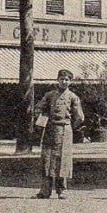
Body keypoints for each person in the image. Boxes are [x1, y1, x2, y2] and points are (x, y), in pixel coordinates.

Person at [33, 69, 85, 199]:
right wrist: (42, 116)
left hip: (65, 130)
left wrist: (70, 126)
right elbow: (38, 108)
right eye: (62, 79)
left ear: (70, 82)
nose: (64, 81)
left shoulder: (73, 97)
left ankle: (62, 190)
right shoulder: (50, 95)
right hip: (50, 129)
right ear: (57, 80)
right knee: (47, 160)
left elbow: (79, 117)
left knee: (63, 160)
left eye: (67, 79)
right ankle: (45, 190)